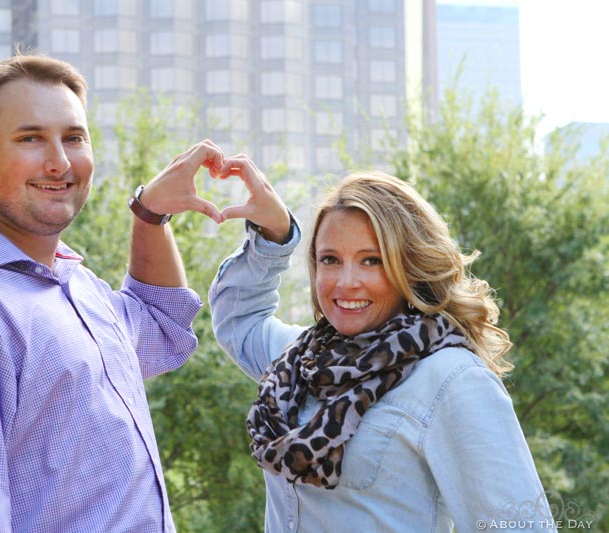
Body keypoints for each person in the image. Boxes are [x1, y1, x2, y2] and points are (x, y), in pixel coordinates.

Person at [0, 53, 226, 532]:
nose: (59, 162)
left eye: (73, 138)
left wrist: (150, 215)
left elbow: (161, 328)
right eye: (30, 138)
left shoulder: (77, 286)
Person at [209, 161, 555, 532]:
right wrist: (273, 235)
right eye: (330, 260)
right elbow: (238, 319)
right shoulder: (299, 360)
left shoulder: (452, 380)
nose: (346, 282)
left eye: (371, 261)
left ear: (409, 267)